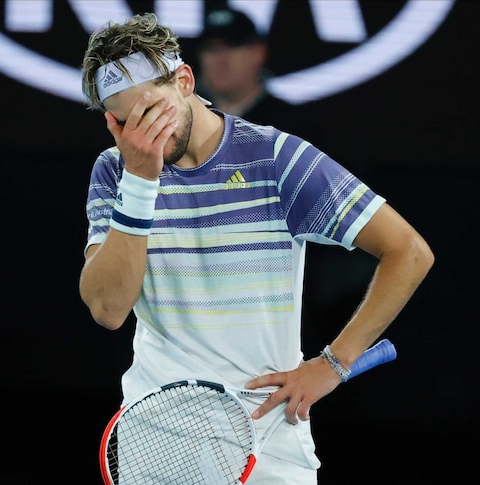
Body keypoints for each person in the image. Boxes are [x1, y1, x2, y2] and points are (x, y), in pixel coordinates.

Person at [79, 12, 434, 484]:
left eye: (151, 114)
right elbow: (107, 308)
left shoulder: (277, 159)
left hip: (268, 442)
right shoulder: (116, 170)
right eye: (127, 123)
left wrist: (332, 364)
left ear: (184, 81)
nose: (143, 136)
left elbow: (409, 251)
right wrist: (141, 181)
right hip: (156, 438)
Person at [194, 7, 329, 149]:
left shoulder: (293, 129)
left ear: (258, 53)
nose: (220, 59)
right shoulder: (186, 123)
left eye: (231, 47)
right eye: (211, 48)